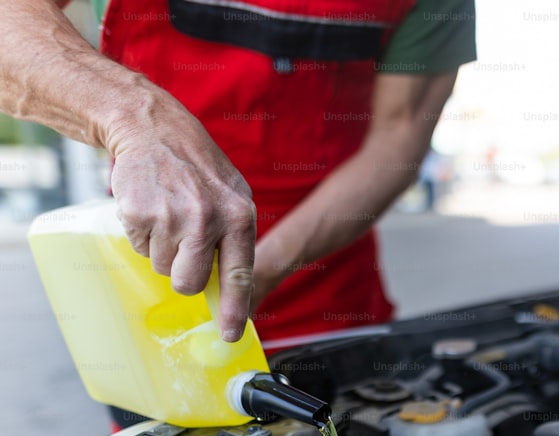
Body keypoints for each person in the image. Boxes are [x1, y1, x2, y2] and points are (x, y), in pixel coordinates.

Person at [2, 0, 475, 348]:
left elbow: (398, 138)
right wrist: (132, 117)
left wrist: (261, 270)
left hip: (328, 304)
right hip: (154, 303)